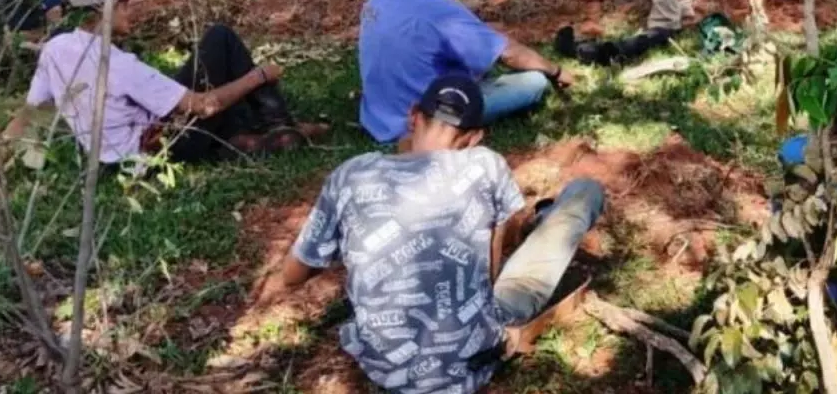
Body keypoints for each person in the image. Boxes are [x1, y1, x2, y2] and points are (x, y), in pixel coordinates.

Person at [256, 76, 605, 393]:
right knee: (585, 192)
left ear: (413, 117)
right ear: (475, 136)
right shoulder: (485, 165)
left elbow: (292, 275)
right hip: (466, 361)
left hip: (383, 366)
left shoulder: (352, 175)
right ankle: (553, 213)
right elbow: (490, 273)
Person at [17, 0, 315, 164]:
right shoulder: (118, 65)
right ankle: (280, 126)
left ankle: (244, 138)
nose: (130, 11)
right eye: (124, 4)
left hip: (110, 157)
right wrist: (259, 76)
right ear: (101, 10)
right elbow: (203, 106)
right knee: (220, 38)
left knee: (206, 71)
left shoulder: (54, 50)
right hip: (156, 149)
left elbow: (31, 111)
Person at [356, 0, 574, 145]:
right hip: (427, 121)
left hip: (377, 117)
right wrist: (556, 71)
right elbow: (508, 54)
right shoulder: (439, 11)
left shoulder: (375, 1)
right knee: (534, 82)